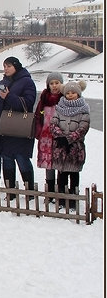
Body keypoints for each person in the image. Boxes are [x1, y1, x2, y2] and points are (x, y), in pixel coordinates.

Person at [0, 56, 37, 198]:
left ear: (16, 66)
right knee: (6, 159)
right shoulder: (2, 82)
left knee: (22, 159)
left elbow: (28, 103)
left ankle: (29, 191)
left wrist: (9, 96)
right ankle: (10, 192)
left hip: (19, 129)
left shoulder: (27, 82)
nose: (6, 69)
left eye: (8, 66)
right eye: (4, 66)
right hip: (3, 129)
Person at [50, 79, 90, 210]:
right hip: (60, 147)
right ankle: (61, 199)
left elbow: (83, 127)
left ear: (78, 94)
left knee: (73, 174)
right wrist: (60, 136)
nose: (71, 95)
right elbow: (53, 124)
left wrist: (69, 139)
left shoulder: (83, 110)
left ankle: (73, 200)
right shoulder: (59, 108)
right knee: (61, 175)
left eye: (73, 93)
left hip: (75, 148)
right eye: (68, 93)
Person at [34, 71, 63, 200]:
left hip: (60, 136)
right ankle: (50, 192)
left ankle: (61, 190)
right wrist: (39, 130)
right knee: (48, 164)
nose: (54, 86)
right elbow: (38, 114)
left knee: (60, 162)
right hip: (46, 136)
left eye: (57, 83)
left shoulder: (65, 98)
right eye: (52, 83)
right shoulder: (44, 98)